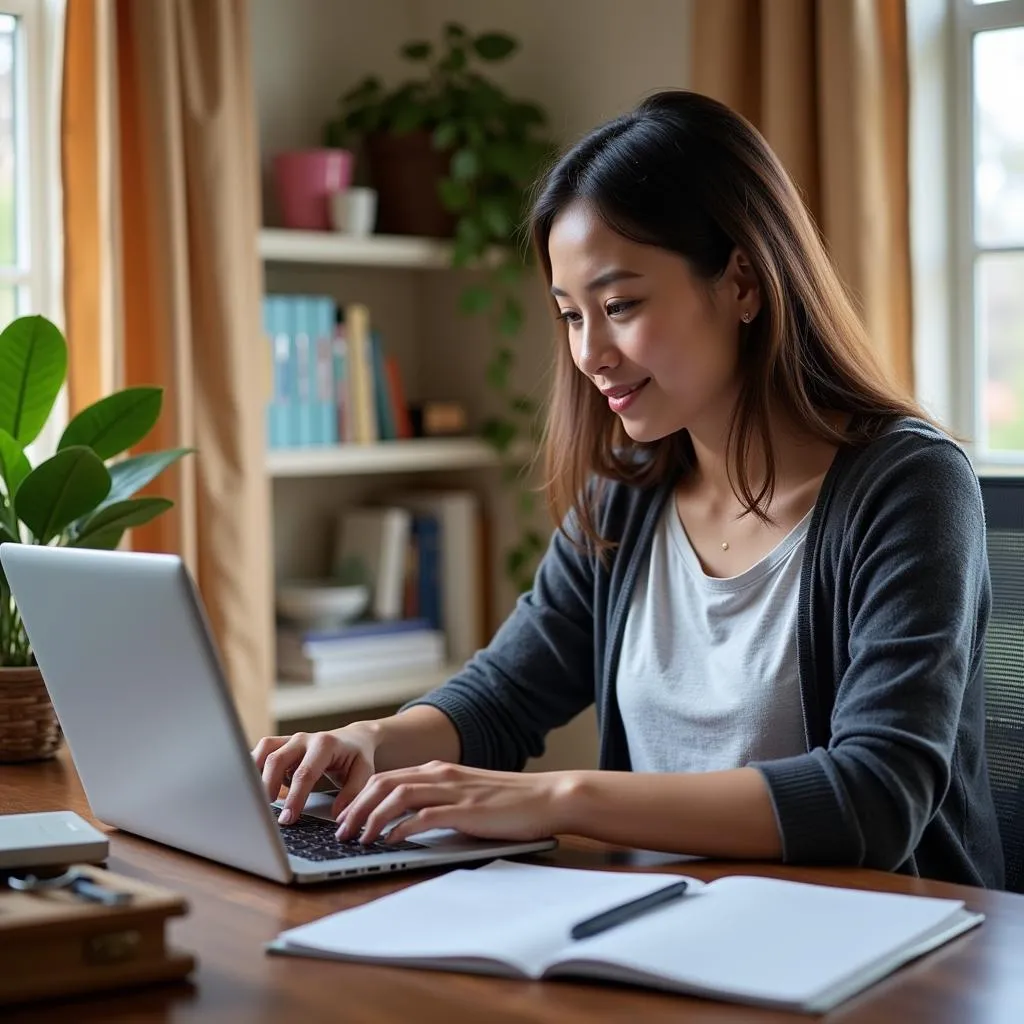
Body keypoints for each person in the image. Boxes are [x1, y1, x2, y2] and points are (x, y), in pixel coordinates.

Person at [253, 90, 1004, 888]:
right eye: (571, 315)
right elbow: (506, 693)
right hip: (664, 929)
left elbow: (875, 799)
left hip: (885, 947)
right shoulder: (630, 491)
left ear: (743, 282)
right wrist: (371, 740)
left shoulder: (909, 487)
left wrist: (560, 798)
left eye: (618, 305)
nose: (590, 352)